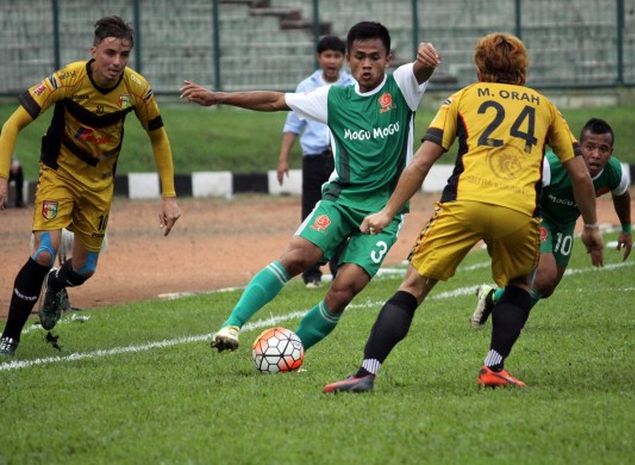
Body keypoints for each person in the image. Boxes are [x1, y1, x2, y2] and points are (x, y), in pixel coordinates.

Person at [323, 32, 604, 394]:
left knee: (414, 285)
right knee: (519, 284)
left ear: (478, 67)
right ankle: (494, 367)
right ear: (522, 69)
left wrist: (387, 211)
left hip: (464, 204)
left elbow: (422, 161)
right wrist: (592, 226)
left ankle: (366, 372)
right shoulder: (545, 107)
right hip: (518, 209)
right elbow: (580, 173)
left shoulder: (462, 98)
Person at [181, 21, 440, 354]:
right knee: (297, 257)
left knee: (342, 290)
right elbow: (275, 100)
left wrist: (427, 58)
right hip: (340, 201)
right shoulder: (333, 98)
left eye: (374, 57)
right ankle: (231, 325)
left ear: (387, 59)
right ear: (348, 59)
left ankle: (290, 351)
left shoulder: (401, 86)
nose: (366, 64)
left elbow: (422, 68)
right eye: (359, 57)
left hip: (383, 212)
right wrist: (217, 97)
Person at [0, 16, 181, 356]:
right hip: (59, 174)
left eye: (124, 55)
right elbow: (12, 124)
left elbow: (158, 137)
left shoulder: (136, 89)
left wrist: (169, 196)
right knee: (43, 251)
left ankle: (56, 283)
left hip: (98, 186)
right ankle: (9, 337)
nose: (116, 62)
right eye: (110, 53)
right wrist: (2, 178)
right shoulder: (67, 79)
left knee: (84, 269)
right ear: (94, 50)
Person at [471, 118, 632, 328]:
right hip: (538, 215)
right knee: (545, 275)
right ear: (578, 146)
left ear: (611, 151)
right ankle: (510, 319)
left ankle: (492, 297)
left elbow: (622, 196)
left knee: (547, 287)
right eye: (590, 147)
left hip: (565, 223)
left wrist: (626, 229)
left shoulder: (615, 172)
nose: (595, 155)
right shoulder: (551, 165)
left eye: (603, 149)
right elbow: (524, 191)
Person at [277, 36, 355, 288]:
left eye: (336, 56)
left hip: (341, 160)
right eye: (327, 56)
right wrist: (283, 158)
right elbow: (293, 125)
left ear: (343, 58)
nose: (332, 61)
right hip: (313, 159)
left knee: (342, 211)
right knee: (311, 212)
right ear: (318, 57)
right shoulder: (306, 86)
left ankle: (339, 268)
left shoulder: (351, 85)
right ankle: (311, 273)